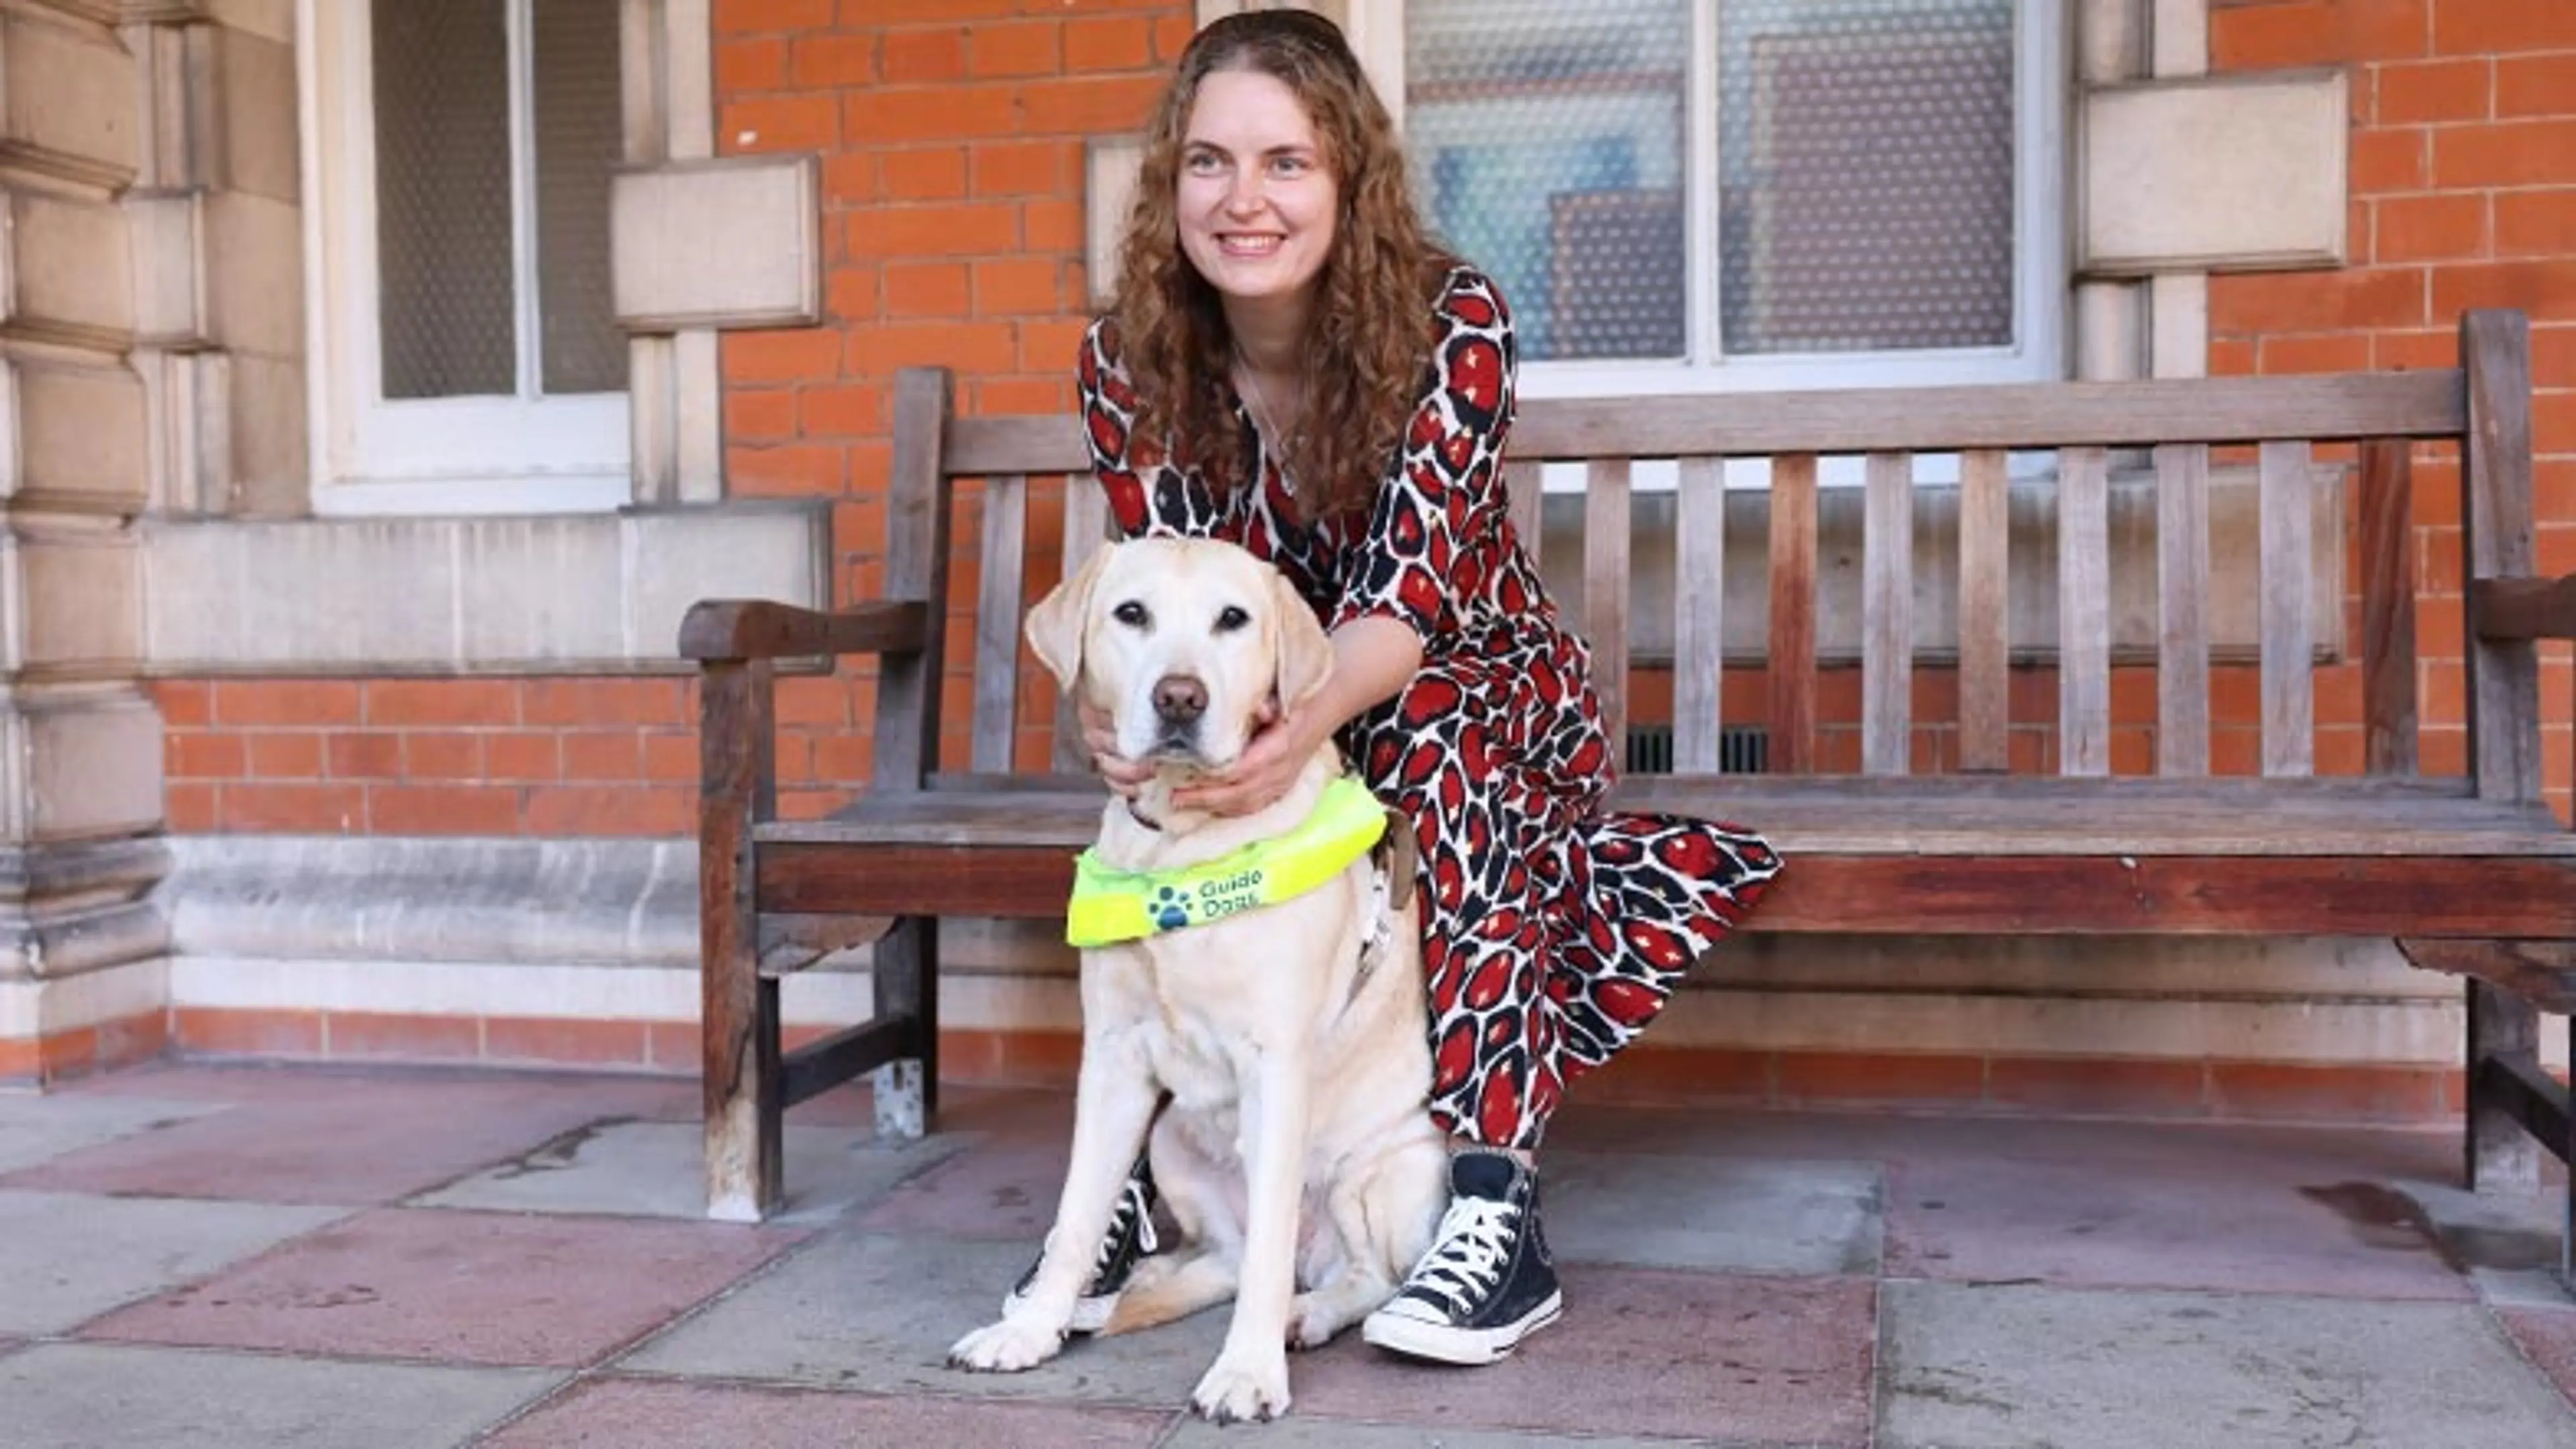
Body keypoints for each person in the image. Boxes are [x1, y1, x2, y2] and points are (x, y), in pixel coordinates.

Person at [1044, 7, 1780, 1366]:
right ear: (1171, 184)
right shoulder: (1126, 363)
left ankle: (1493, 1212)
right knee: (1159, 815)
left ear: (1348, 178)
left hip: (1468, 687)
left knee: (1425, 745)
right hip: (1267, 713)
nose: (1244, 200)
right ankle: (1150, 1183)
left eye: (1286, 162)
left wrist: (1297, 731)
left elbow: (1407, 606)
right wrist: (1121, 714)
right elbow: (1148, 588)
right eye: (1210, 163)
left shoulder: (1453, 324)